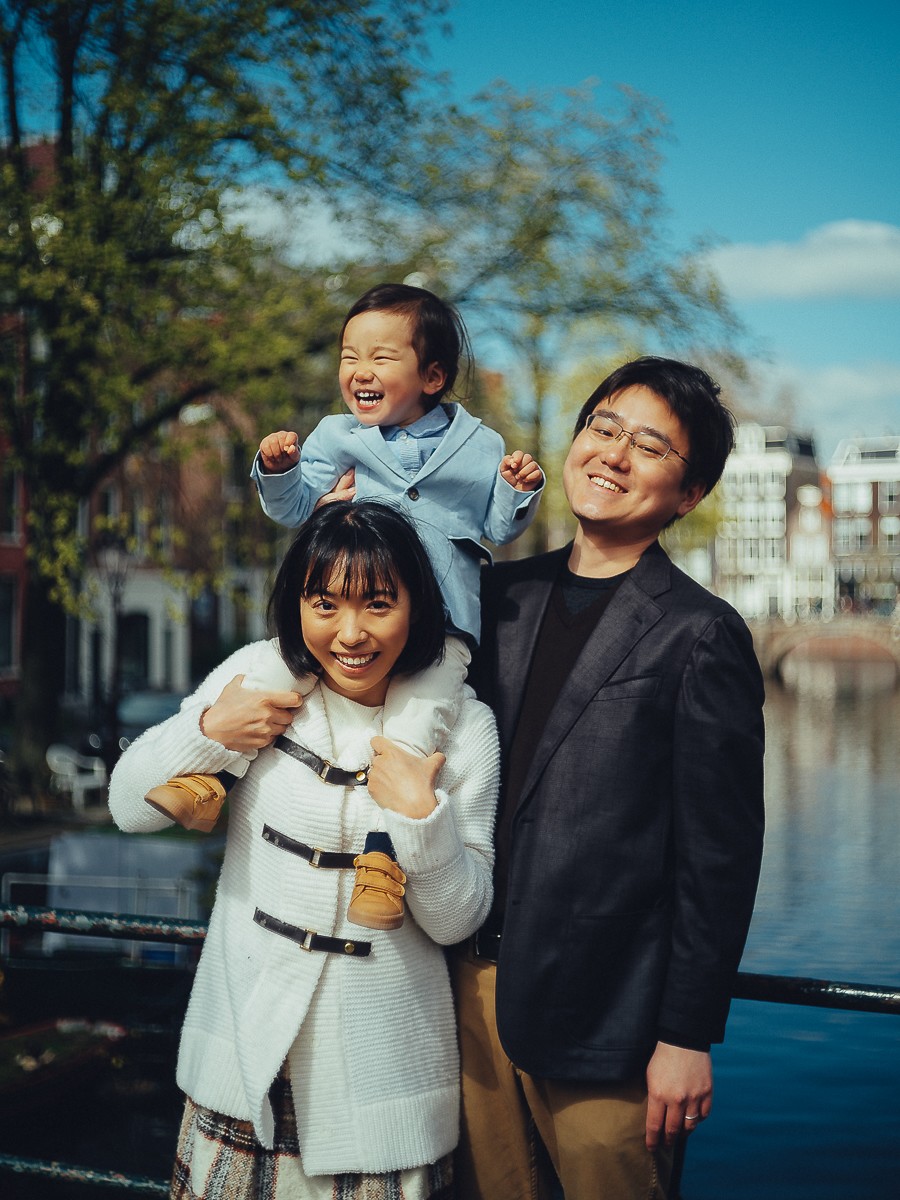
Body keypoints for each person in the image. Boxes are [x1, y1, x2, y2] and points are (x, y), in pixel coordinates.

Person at [109, 500, 499, 1199]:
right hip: (242, 1066)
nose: (350, 634)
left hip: (381, 1094)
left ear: (417, 606)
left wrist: (421, 818)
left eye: (378, 604)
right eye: (325, 604)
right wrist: (207, 729)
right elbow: (127, 805)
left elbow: (457, 919)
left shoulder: (464, 728)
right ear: (297, 604)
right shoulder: (262, 680)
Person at [454, 357, 766, 1200]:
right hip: (470, 992)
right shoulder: (492, 596)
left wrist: (686, 1036)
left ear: (689, 493)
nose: (615, 455)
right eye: (603, 428)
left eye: (651, 447)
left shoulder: (702, 634)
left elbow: (720, 859)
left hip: (608, 1021)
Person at [147, 283, 541, 931]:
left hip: (443, 614)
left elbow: (497, 525)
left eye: (383, 357)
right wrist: (279, 470)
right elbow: (297, 507)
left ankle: (382, 860)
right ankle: (207, 781)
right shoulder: (336, 436)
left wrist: (516, 490)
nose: (360, 370)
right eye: (349, 355)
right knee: (283, 672)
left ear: (433, 375)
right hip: (350, 597)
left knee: (418, 722)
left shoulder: (479, 446)